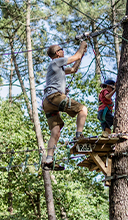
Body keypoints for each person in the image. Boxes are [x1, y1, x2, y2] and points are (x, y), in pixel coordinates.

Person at [42, 41, 88, 171]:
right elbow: (76, 56)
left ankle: (49, 160)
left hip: (48, 103)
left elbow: (74, 69)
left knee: (55, 131)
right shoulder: (56, 62)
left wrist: (82, 54)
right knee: (82, 109)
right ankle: (79, 135)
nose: (63, 52)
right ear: (58, 53)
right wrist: (82, 46)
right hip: (54, 97)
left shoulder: (57, 67)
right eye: (61, 50)